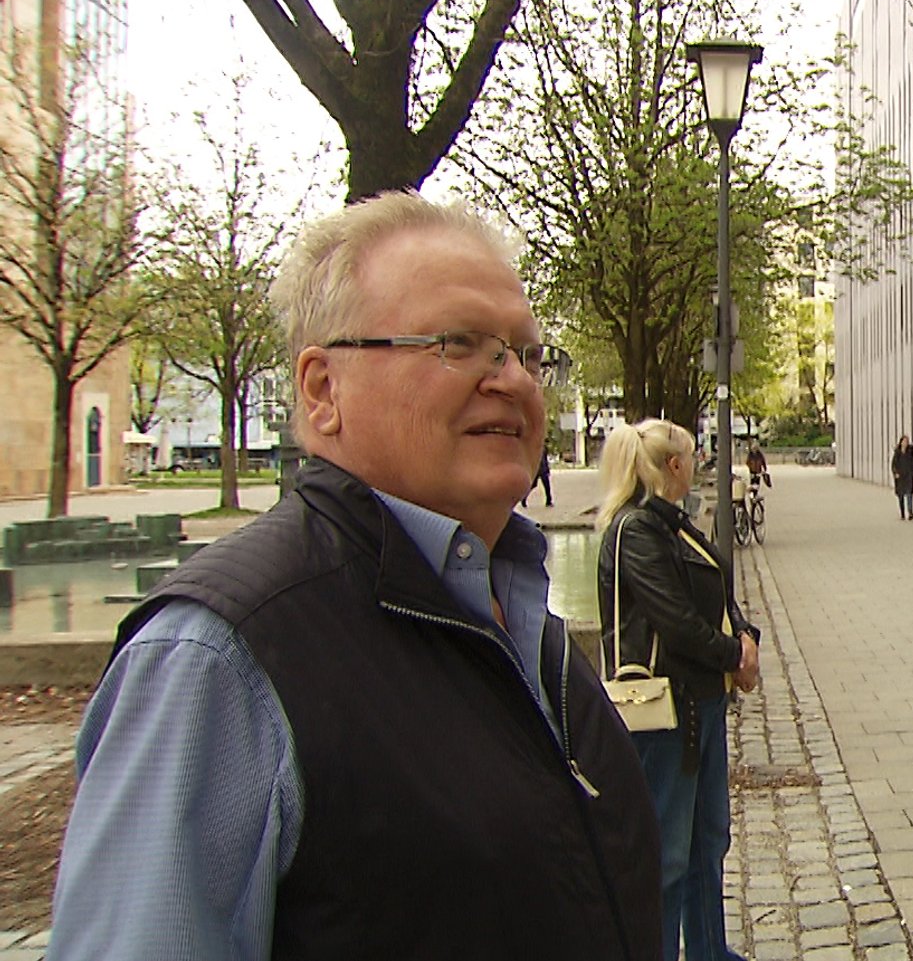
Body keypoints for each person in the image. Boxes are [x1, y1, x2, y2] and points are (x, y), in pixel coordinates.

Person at [49, 194, 662, 960]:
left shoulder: (516, 608)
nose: (511, 379)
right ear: (321, 389)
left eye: (525, 352)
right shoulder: (216, 660)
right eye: (458, 342)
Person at [596, 419, 761, 961]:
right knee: (668, 854)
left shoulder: (676, 526)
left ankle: (711, 952)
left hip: (703, 705)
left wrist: (745, 634)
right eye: (693, 455)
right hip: (662, 715)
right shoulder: (636, 530)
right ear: (674, 467)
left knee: (709, 841)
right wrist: (733, 655)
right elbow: (675, 620)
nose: (699, 463)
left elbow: (717, 590)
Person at [890, 435, 913, 520]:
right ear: (901, 442)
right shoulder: (897, 453)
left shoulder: (910, 452)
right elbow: (893, 465)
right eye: (904, 441)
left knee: (909, 494)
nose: (906, 443)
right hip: (900, 477)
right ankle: (902, 514)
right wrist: (895, 473)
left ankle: (910, 512)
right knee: (901, 496)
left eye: (907, 441)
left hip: (909, 476)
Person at [524, 442, 553, 507]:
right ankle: (524, 498)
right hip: (538, 469)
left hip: (541, 469)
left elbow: (545, 460)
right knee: (535, 485)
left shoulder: (543, 448)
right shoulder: (533, 449)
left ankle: (549, 501)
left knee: (546, 486)